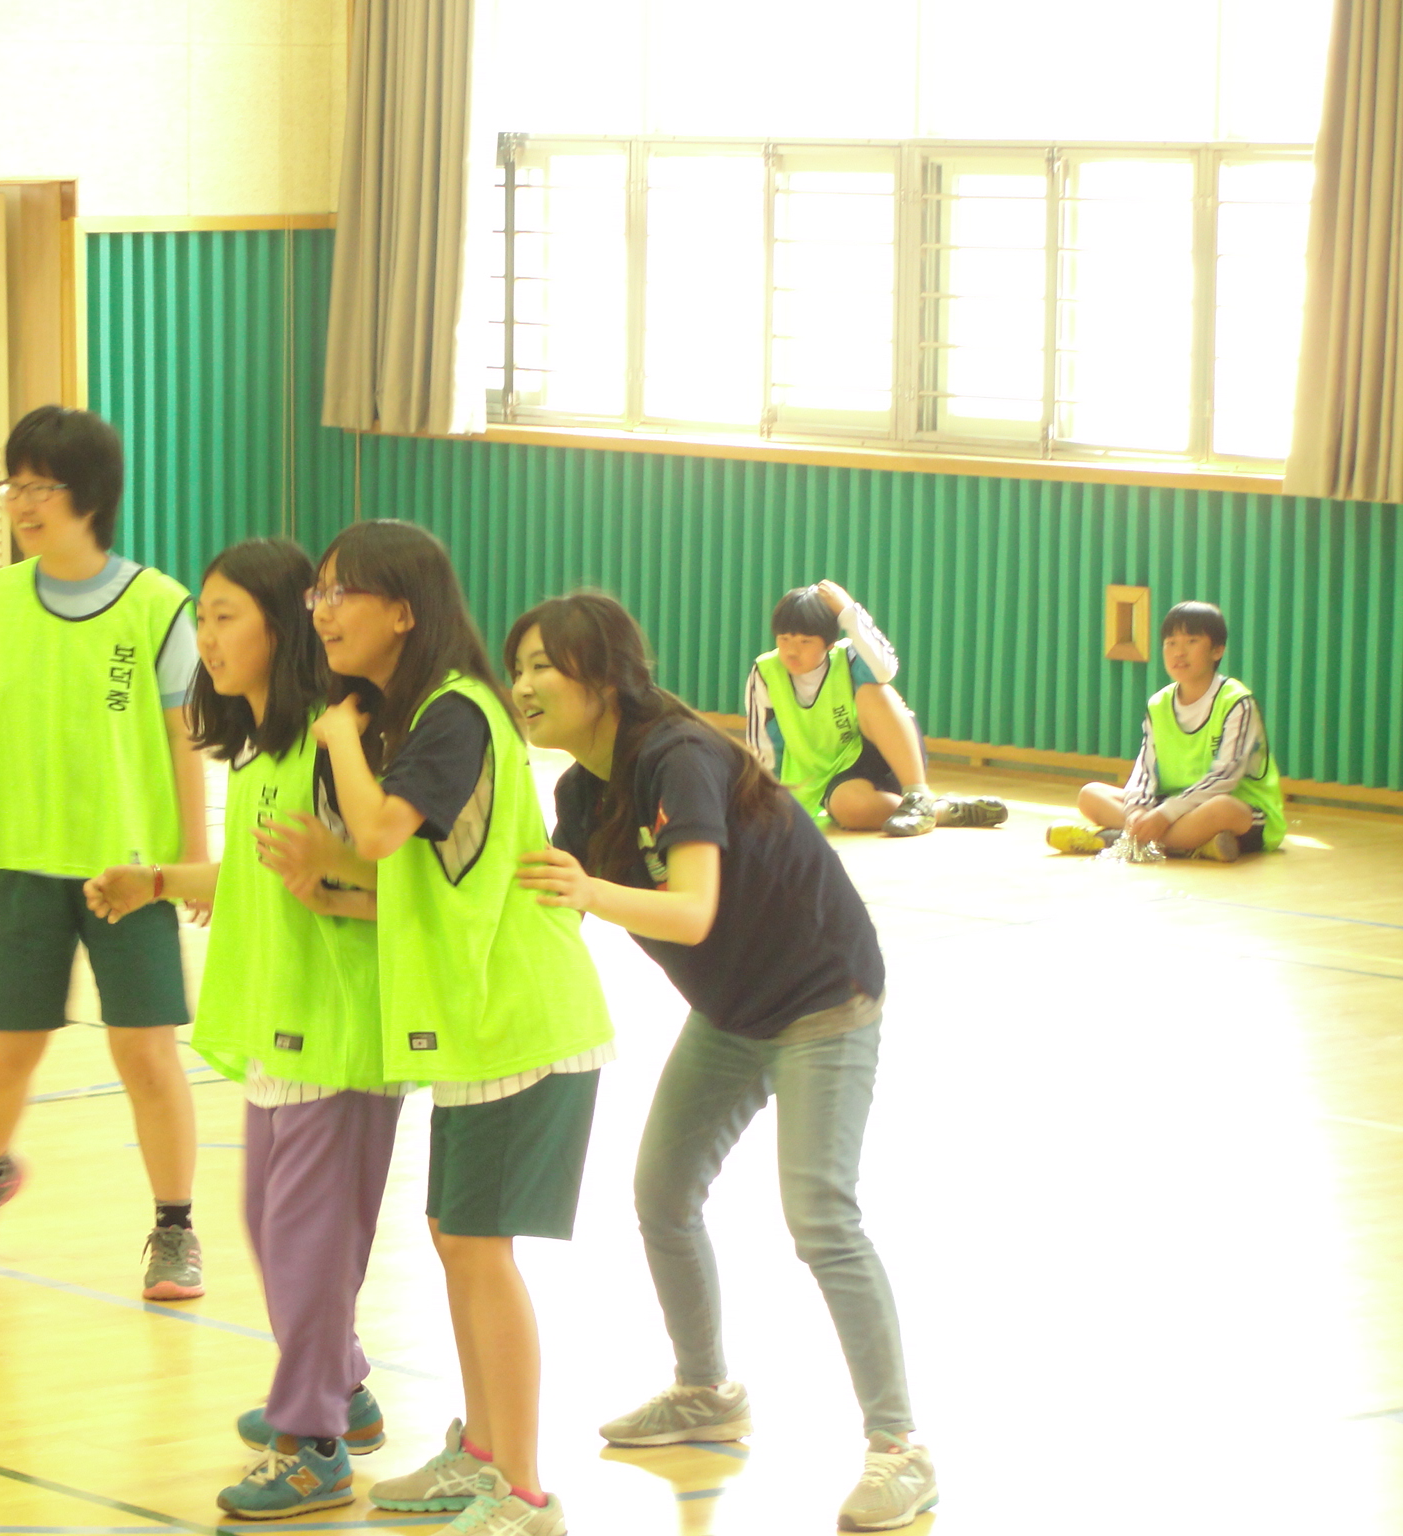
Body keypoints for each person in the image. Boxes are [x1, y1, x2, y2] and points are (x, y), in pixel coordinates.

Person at [507, 591, 936, 1533]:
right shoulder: (581, 794)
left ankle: (900, 1449)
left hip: (823, 998)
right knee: (662, 1194)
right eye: (521, 665)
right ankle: (706, 1391)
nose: (526, 684)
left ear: (605, 677)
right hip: (735, 1010)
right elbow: (553, 914)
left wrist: (587, 886)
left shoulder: (679, 758)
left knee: (821, 1218)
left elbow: (691, 908)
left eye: (547, 665)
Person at [292, 519, 612, 1536]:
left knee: (477, 1246)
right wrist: (324, 886)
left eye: (341, 593)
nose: (323, 611)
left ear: (403, 610)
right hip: (474, 1025)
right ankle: (478, 1455)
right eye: (316, 595)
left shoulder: (456, 714)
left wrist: (337, 738)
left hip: (523, 1019)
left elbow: (382, 832)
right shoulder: (423, 716)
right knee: (453, 1237)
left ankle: (518, 1487)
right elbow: (414, 887)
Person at [85, 538, 400, 1520]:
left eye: (225, 615)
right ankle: (337, 1389)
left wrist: (340, 876)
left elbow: (397, 884)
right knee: (270, 1227)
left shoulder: (327, 742)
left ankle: (310, 1445)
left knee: (303, 1238)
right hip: (275, 1022)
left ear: (280, 621)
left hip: (336, 1029)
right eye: (201, 618)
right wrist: (158, 884)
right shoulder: (267, 747)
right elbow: (258, 880)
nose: (205, 636)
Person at [0, 405, 210, 1301]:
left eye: (38, 484)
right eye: (12, 482)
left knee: (145, 1052)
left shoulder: (158, 603)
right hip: (22, 857)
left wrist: (193, 859)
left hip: (126, 869)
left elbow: (181, 739)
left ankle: (174, 1228)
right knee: (1, 1050)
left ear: (86, 495)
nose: (20, 501)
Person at [747, 580, 1004, 837]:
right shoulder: (766, 672)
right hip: (836, 779)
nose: (792, 651)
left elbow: (886, 670)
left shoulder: (849, 658)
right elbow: (763, 744)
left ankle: (917, 793)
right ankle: (942, 810)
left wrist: (849, 612)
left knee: (875, 690)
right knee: (850, 810)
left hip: (886, 755)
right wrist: (766, 797)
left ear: (829, 644)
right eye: (784, 639)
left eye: (805, 642)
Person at [1048, 600, 1284, 862]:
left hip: (1237, 808)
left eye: (1191, 642)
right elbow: (1145, 769)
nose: (1178, 652)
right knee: (1091, 795)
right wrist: (1138, 810)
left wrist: (1164, 815)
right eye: (1170, 643)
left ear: (1217, 650)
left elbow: (1225, 777)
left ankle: (1114, 838)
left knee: (1222, 809)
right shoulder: (1159, 704)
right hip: (1176, 807)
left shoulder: (1237, 702)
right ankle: (1190, 844)